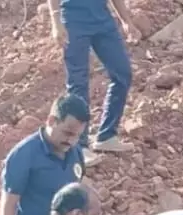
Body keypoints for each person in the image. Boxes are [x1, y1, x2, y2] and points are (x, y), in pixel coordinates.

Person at [48, 0, 141, 165]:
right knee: (78, 83)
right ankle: (79, 146)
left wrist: (127, 21)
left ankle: (107, 135)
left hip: (102, 18)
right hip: (73, 18)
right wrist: (56, 22)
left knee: (122, 73)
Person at [0, 94, 90, 215]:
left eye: (77, 136)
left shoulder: (75, 152)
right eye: (67, 133)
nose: (71, 141)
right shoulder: (24, 154)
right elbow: (9, 205)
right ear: (52, 121)